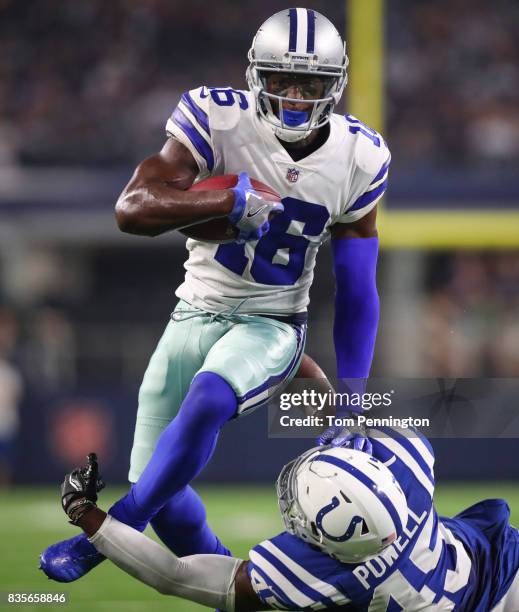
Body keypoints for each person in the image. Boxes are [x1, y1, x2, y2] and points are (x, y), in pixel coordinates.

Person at [40, 8, 387, 581]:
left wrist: (353, 396)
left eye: (311, 84)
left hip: (274, 322)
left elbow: (357, 287)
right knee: (162, 489)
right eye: (281, 80)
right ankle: (237, 585)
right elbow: (132, 210)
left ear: (337, 85)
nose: (296, 97)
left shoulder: (359, 155)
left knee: (207, 397)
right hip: (194, 310)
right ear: (256, 77)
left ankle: (99, 540)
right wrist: (224, 203)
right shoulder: (216, 118)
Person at [57, 427, 519, 611]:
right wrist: (356, 433)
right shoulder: (409, 460)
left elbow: (174, 575)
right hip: (505, 567)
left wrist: (86, 513)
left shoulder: (313, 570)